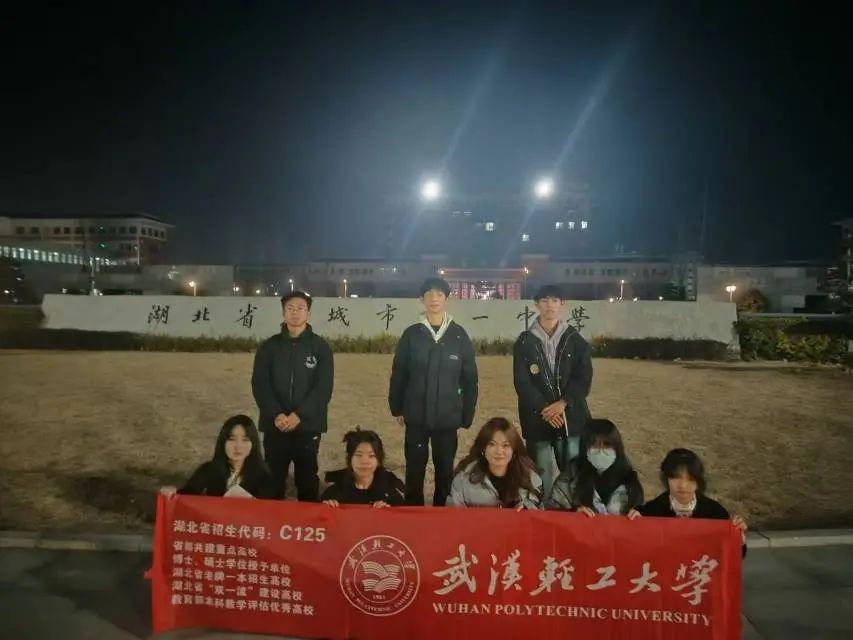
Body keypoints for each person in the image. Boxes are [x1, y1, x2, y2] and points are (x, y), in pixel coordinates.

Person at [388, 277, 479, 506]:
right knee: (414, 469)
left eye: (439, 294)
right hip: (416, 416)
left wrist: (466, 415)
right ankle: (413, 512)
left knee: (445, 470)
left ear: (446, 299)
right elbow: (399, 373)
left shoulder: (458, 335)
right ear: (422, 300)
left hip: (447, 417)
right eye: (429, 294)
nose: (434, 299)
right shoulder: (412, 335)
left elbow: (470, 379)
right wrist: (397, 407)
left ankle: (442, 514)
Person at [252, 291, 334, 501]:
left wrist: (299, 415)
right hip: (275, 426)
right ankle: (271, 520)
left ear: (308, 313)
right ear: (283, 313)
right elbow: (260, 384)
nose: (295, 313)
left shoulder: (320, 347)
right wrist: (276, 414)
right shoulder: (269, 347)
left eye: (300, 308)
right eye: (290, 308)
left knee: (307, 480)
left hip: (307, 426)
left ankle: (308, 520)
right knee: (272, 479)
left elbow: (323, 388)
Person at [513, 284, 593, 495]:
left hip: (570, 419)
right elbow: (522, 382)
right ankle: (543, 510)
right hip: (537, 418)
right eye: (545, 300)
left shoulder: (576, 341)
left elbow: (583, 379)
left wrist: (563, 403)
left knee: (573, 476)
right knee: (541, 476)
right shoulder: (525, 341)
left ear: (562, 304)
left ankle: (572, 511)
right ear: (536, 304)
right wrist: (545, 408)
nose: (550, 305)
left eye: (555, 300)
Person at [638, 448, 748, 553]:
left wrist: (738, 535)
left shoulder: (715, 512)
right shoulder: (649, 512)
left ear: (698, 482)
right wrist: (633, 524)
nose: (683, 485)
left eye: (690, 479)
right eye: (676, 477)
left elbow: (734, 555)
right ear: (666, 479)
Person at [545, 418, 643, 517]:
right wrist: (573, 514)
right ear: (584, 448)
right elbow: (552, 512)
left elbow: (640, 509)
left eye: (607, 445)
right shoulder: (571, 477)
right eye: (594, 445)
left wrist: (640, 516)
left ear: (617, 447)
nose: (601, 451)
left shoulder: (628, 479)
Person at [160, 415, 274, 498]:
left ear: (253, 444)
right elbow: (187, 496)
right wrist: (173, 493)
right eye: (232, 439)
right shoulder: (208, 470)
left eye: (245, 440)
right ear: (223, 442)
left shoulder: (264, 477)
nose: (238, 446)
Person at [447, 417, 542, 509]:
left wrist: (526, 509)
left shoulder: (531, 479)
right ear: (483, 448)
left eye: (506, 445)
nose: (499, 451)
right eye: (492, 444)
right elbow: (453, 515)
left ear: (514, 450)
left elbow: (539, 514)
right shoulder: (463, 481)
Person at [321, 428, 406, 507]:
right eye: (358, 455)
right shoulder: (335, 492)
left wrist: (388, 510)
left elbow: (401, 514)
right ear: (350, 458)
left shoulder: (390, 493)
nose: (364, 461)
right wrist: (326, 507)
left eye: (371, 456)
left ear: (379, 460)